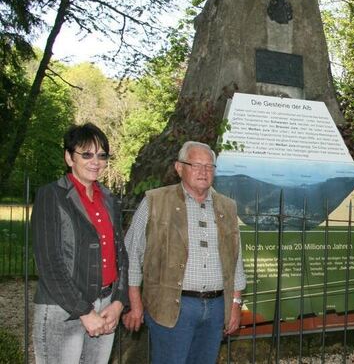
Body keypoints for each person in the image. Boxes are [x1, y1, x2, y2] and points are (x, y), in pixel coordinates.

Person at [123, 141, 246, 364]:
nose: (203, 171)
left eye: (209, 166)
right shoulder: (155, 201)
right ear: (179, 168)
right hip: (171, 307)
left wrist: (235, 305)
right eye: (196, 165)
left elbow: (236, 260)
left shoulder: (227, 207)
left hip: (217, 307)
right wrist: (135, 303)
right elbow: (132, 253)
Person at [31, 123, 129, 364]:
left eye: (101, 155)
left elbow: (120, 254)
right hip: (62, 308)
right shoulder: (51, 196)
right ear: (68, 157)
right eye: (86, 154)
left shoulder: (108, 198)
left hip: (105, 307)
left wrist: (118, 301)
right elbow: (49, 264)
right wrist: (84, 311)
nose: (95, 161)